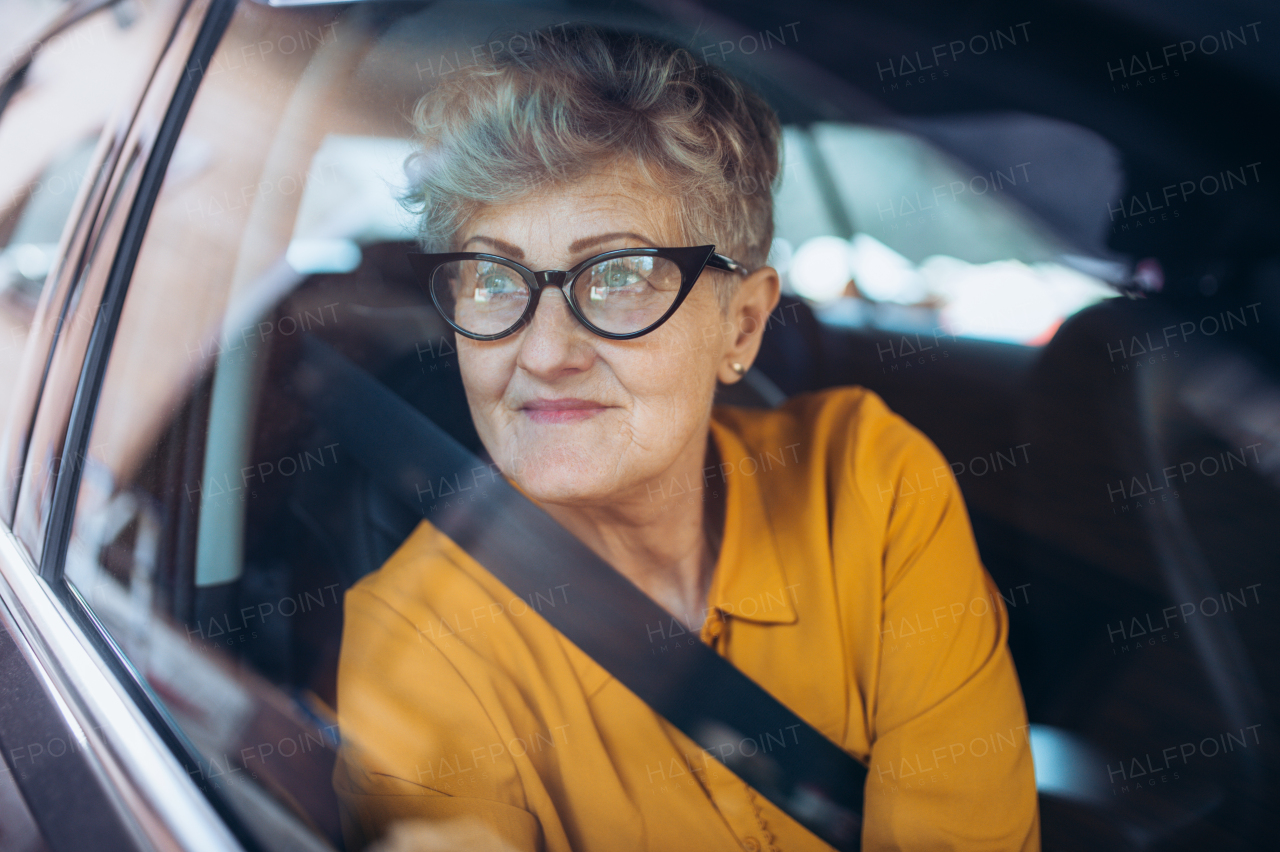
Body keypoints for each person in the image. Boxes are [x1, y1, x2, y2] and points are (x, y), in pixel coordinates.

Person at [333, 23, 1039, 852]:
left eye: (621, 276)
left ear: (741, 325)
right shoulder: (415, 649)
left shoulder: (866, 481)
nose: (545, 353)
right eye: (493, 278)